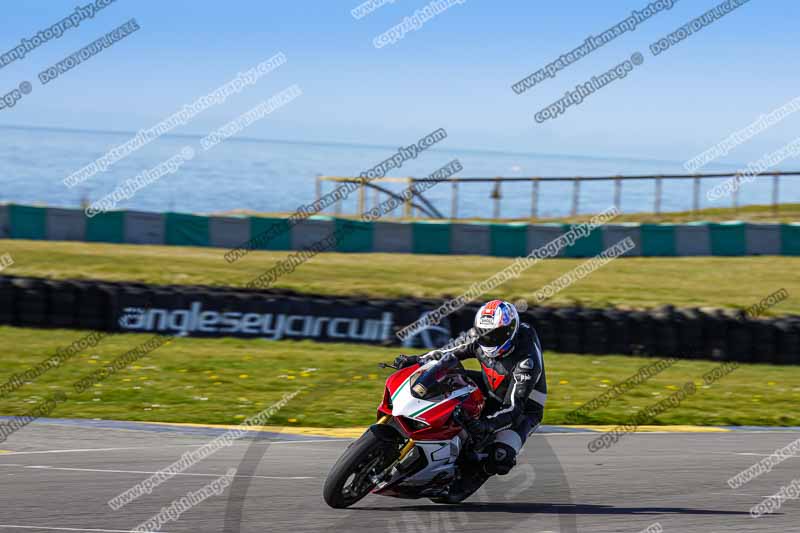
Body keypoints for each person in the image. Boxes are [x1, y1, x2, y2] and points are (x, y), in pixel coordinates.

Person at [394, 299, 547, 502]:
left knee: (500, 457)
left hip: (523, 408)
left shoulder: (526, 361)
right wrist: (417, 359)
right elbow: (447, 354)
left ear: (511, 331)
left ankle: (471, 472)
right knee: (447, 374)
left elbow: (513, 407)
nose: (489, 340)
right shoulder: (480, 337)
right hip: (490, 383)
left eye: (496, 335)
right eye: (484, 333)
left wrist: (485, 425)